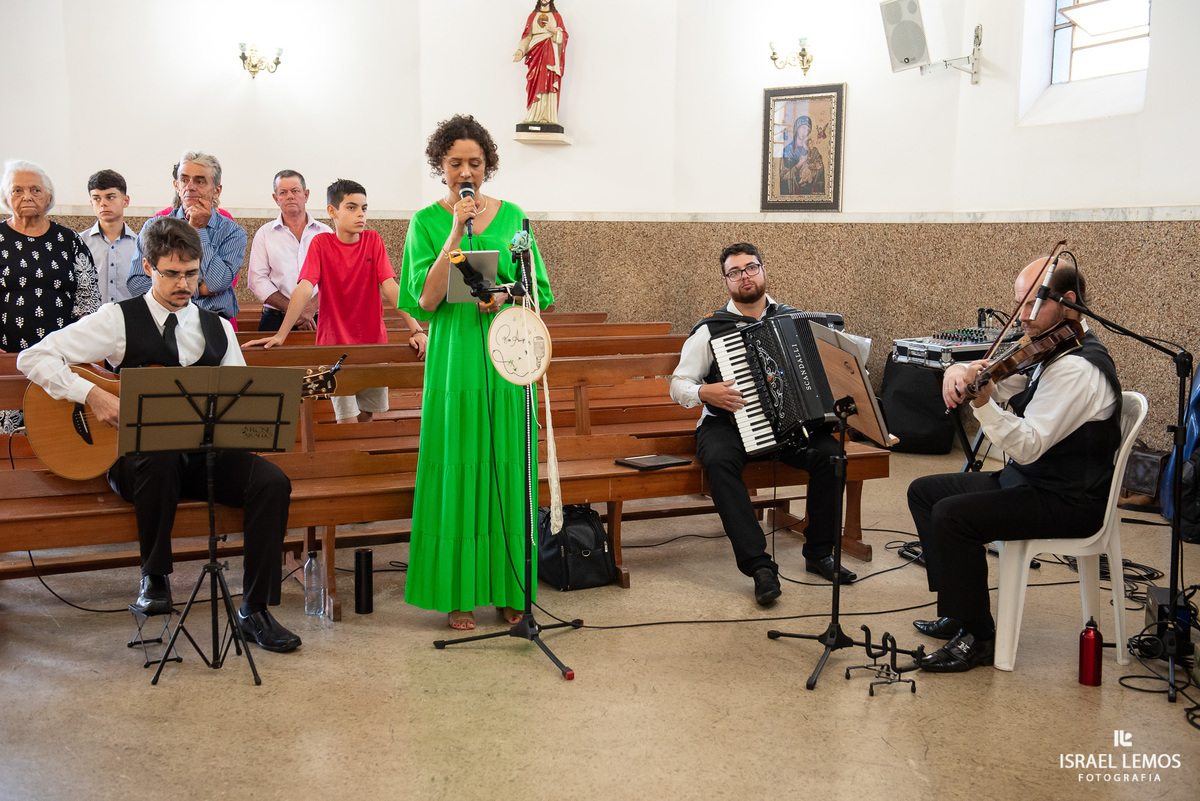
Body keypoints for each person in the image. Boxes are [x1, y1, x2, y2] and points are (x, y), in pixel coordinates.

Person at [17, 217, 301, 652]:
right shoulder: (117, 320)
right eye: (172, 273)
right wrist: (91, 395)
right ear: (149, 267)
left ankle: (255, 610)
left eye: (191, 272)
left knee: (271, 482)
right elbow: (34, 357)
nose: (183, 283)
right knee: (160, 453)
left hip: (201, 456)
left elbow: (242, 401)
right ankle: (155, 578)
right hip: (135, 462)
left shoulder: (218, 329)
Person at [907, 258, 1121, 672]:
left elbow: (1027, 445)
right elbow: (1002, 380)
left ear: (1068, 302)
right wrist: (962, 370)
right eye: (1019, 303)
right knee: (925, 492)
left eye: (1032, 303)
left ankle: (979, 638)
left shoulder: (1076, 368)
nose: (1022, 316)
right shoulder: (1051, 347)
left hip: (1067, 499)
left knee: (953, 517)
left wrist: (983, 403)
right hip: (1032, 482)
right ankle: (958, 609)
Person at [398, 114, 554, 630]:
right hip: (455, 354)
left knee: (507, 466)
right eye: (455, 163)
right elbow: (424, 299)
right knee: (460, 464)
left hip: (505, 351)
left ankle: (510, 588)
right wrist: (452, 233)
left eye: (476, 163)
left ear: (488, 165)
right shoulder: (425, 222)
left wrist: (505, 294)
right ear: (440, 166)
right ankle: (458, 593)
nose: (466, 171)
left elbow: (540, 291)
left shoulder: (514, 216)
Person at [669, 242, 856, 606]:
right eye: (735, 272)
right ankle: (759, 566)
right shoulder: (711, 329)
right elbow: (679, 383)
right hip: (728, 423)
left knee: (832, 457)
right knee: (720, 462)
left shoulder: (794, 319)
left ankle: (819, 554)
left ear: (764, 270)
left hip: (790, 425)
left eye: (751, 268)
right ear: (726, 281)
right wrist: (706, 392)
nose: (745, 277)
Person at [243, 178, 427, 423]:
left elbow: (390, 287)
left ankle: (362, 461)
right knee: (347, 419)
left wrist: (415, 328)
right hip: (335, 348)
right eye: (351, 207)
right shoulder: (321, 244)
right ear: (332, 211)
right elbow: (304, 288)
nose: (360, 214)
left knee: (366, 416)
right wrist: (281, 335)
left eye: (364, 208)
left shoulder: (373, 241)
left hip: (372, 344)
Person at [0, 159, 100, 433]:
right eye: (17, 190)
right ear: (6, 197)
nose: (27, 196)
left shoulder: (69, 241)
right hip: (6, 358)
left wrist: (79, 349)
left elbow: (89, 301)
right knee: (7, 443)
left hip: (61, 361)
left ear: (49, 196)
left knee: (57, 436)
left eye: (35, 190)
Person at [128, 151, 244, 322]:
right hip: (164, 320)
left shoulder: (233, 232)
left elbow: (216, 283)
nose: (190, 187)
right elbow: (136, 284)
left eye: (200, 181)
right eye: (184, 180)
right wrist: (198, 289)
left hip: (211, 322)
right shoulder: (154, 226)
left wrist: (198, 228)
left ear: (216, 190)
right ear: (177, 185)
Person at [246, 169, 330, 332]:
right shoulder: (265, 233)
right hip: (276, 319)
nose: (290, 196)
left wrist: (311, 307)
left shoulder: (325, 233)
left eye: (295, 191)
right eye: (283, 192)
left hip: (320, 318)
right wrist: (295, 310)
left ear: (306, 195)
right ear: (276, 198)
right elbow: (257, 280)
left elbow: (334, 276)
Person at [80, 169, 138, 305]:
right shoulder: (79, 243)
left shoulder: (140, 245)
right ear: (91, 203)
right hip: (90, 322)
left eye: (110, 197)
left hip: (128, 321)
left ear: (126, 200)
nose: (103, 203)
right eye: (96, 198)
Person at [513, 0, 568, 128]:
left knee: (549, 81)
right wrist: (521, 50)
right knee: (535, 82)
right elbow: (527, 36)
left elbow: (564, 36)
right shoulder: (532, 16)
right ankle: (533, 115)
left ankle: (548, 116)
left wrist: (554, 31)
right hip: (535, 54)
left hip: (551, 55)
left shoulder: (557, 17)